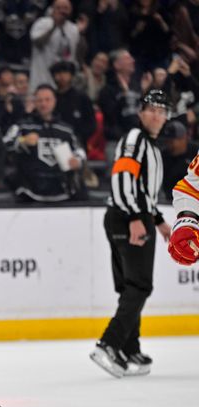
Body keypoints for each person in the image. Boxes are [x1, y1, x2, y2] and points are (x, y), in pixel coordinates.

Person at [90, 89, 172, 378]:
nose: (156, 114)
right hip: (128, 217)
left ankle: (127, 348)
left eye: (162, 110)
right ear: (141, 112)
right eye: (151, 109)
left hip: (129, 216)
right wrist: (137, 218)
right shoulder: (137, 139)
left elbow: (143, 190)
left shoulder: (150, 145)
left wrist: (158, 219)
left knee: (130, 286)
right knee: (139, 286)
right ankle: (109, 344)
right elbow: (124, 179)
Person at [3, 84, 86, 203]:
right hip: (29, 194)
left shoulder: (66, 130)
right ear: (34, 102)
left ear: (54, 101)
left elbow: (80, 151)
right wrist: (22, 141)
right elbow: (5, 144)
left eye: (47, 100)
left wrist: (77, 161)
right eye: (40, 100)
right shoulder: (22, 126)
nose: (43, 104)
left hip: (63, 193)